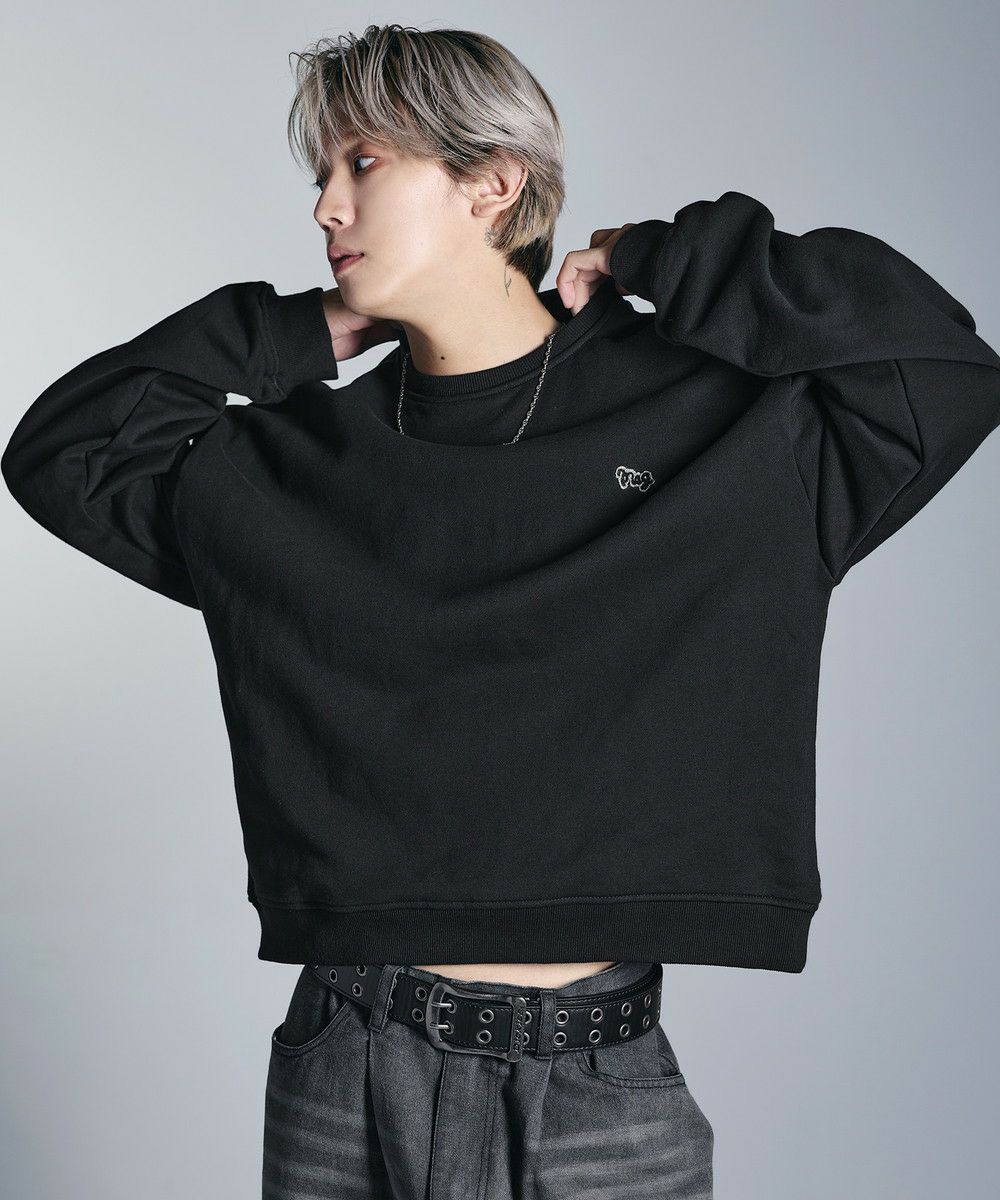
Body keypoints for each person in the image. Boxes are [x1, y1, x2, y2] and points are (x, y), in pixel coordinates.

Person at [5, 21, 1000, 1200]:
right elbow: (62, 454)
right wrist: (283, 333)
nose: (325, 207)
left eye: (362, 163)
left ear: (493, 183)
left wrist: (665, 257)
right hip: (344, 1064)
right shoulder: (291, 465)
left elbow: (936, 370)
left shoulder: (714, 426)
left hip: (595, 1084)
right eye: (320, 175)